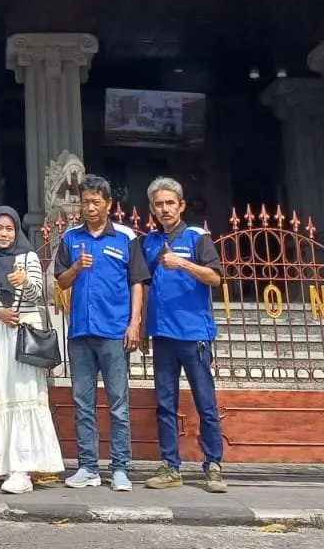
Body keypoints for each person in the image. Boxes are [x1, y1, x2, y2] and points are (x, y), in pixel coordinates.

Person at [53, 174, 148, 492]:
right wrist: (77, 267)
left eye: (96, 202)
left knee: (118, 403)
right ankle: (88, 467)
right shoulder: (70, 238)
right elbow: (61, 282)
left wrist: (134, 322)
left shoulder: (125, 236)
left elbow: (137, 281)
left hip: (114, 331)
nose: (89, 208)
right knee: (83, 402)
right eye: (85, 202)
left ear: (109, 204)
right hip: (80, 331)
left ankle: (120, 468)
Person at [141, 177, 229, 493]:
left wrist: (183, 264)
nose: (164, 209)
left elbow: (215, 278)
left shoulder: (196, 237)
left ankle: (214, 465)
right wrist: (140, 327)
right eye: (158, 204)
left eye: (170, 203)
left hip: (195, 334)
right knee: (165, 403)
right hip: (162, 334)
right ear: (152, 209)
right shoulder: (148, 242)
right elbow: (143, 285)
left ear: (181, 205)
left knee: (205, 402)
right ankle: (170, 467)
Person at [0, 206, 64, 494]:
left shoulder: (28, 258)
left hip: (23, 336)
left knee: (24, 396)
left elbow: (39, 294)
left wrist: (24, 281)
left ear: (17, 231)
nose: (3, 234)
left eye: (9, 229)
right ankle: (0, 464)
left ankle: (23, 469)